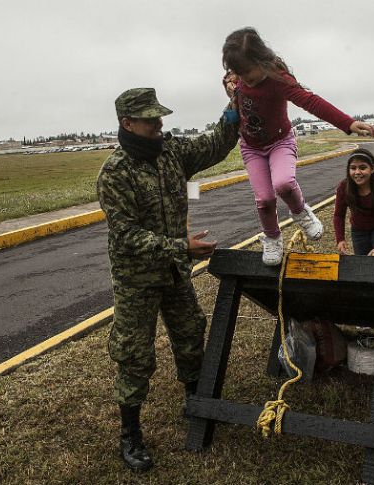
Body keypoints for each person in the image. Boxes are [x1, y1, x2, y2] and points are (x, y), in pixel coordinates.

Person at [96, 87, 240, 471]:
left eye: (160, 117)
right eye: (150, 119)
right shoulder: (115, 173)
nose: (160, 124)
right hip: (137, 279)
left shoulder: (171, 154)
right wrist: (181, 247)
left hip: (175, 272)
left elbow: (216, 142)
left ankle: (195, 402)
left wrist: (236, 102)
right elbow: (124, 235)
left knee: (191, 333)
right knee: (134, 353)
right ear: (128, 123)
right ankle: (130, 433)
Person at [221, 27, 374, 266]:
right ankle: (272, 238)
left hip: (280, 141)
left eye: (249, 73)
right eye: (240, 74)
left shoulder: (278, 80)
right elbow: (233, 93)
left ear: (261, 61)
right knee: (264, 199)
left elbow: (311, 102)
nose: (246, 80)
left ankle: (300, 211)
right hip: (251, 147)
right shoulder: (235, 79)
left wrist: (348, 122)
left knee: (283, 184)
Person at [333, 148, 374, 257]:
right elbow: (338, 215)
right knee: (362, 261)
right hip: (358, 229)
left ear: (372, 169)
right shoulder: (344, 187)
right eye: (353, 168)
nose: (357, 172)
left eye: (362, 167)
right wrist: (340, 239)